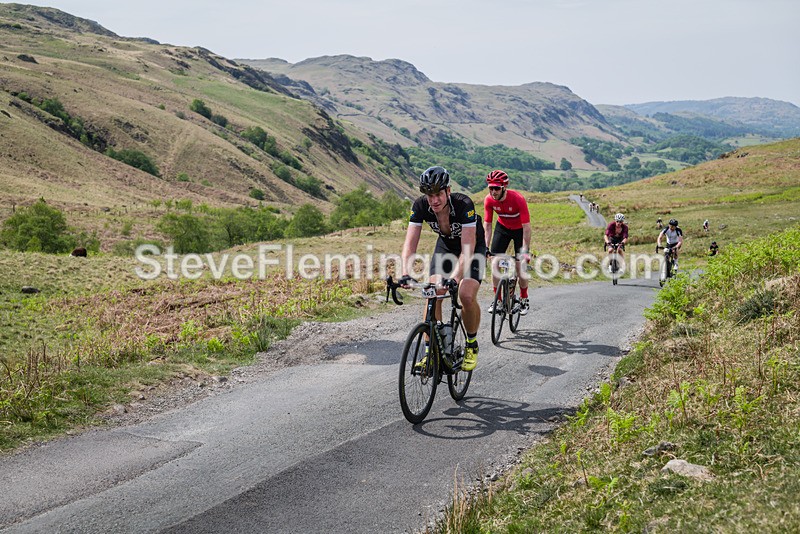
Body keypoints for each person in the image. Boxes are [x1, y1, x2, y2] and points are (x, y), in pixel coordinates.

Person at [400, 166, 487, 371]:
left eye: (438, 194)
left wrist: (455, 278)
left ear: (448, 191)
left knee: (466, 294)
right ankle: (432, 352)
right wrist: (405, 273)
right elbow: (410, 244)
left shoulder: (464, 204)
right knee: (433, 291)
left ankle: (472, 344)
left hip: (472, 247)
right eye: (429, 195)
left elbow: (467, 249)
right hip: (446, 246)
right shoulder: (420, 206)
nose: (434, 200)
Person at [483, 170, 532, 315]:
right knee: (495, 262)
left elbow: (527, 228)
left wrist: (525, 250)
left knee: (520, 266)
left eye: (496, 188)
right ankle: (497, 301)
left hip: (519, 230)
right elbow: (487, 225)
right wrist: (485, 247)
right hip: (502, 228)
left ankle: (524, 299)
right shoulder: (489, 200)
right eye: (490, 188)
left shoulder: (517, 199)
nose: (493, 191)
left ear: (504, 187)